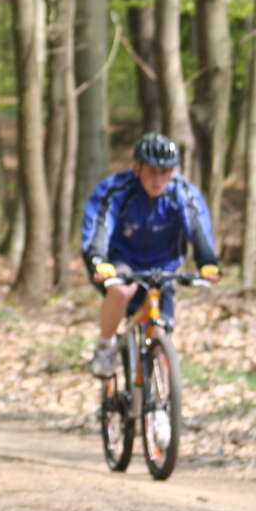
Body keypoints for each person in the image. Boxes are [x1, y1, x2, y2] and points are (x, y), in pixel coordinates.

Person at [80, 131, 221, 378]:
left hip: (163, 265)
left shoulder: (182, 193)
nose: (158, 179)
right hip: (122, 260)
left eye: (165, 172)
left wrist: (207, 262)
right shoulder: (116, 190)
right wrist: (98, 260)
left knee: (160, 333)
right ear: (137, 168)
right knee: (124, 291)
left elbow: (198, 228)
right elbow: (99, 228)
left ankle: (160, 406)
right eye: (152, 171)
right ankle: (105, 346)